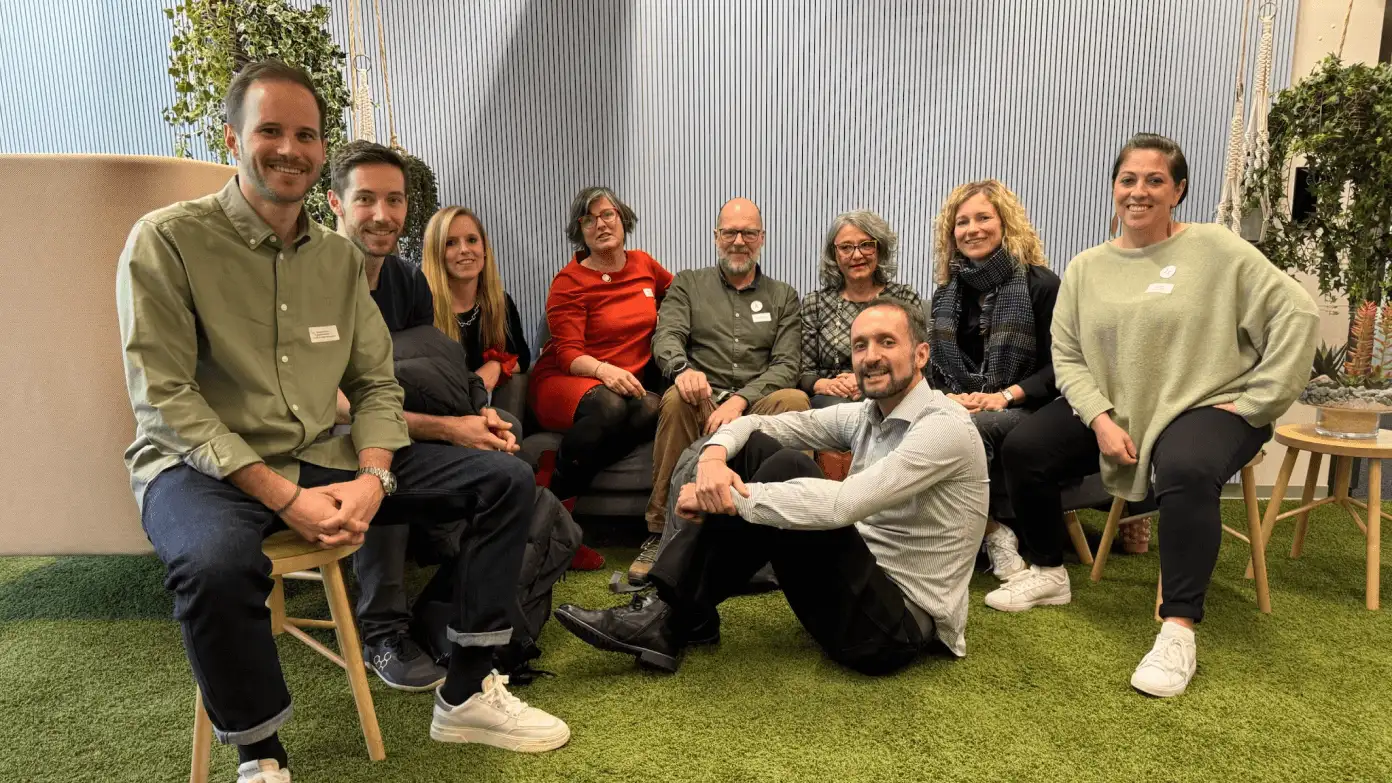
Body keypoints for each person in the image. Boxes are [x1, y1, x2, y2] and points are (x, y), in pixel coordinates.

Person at [117, 61, 568, 783]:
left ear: (322, 150)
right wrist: (286, 497)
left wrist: (374, 475)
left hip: (322, 453)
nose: (288, 147)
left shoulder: (337, 259)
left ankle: (466, 692)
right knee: (212, 563)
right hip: (199, 466)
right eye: (271, 130)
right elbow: (166, 398)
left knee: (507, 481)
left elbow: (375, 384)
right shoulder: (166, 240)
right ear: (232, 136)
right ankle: (261, 754)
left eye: (305, 133)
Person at [993, 133, 1318, 698]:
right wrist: (1098, 418)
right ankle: (1047, 571)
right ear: (1114, 188)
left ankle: (1178, 627)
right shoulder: (1087, 267)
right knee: (1025, 448)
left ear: (1178, 190)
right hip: (1117, 405)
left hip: (1205, 404)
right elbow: (1067, 357)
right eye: (1128, 180)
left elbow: (1299, 312)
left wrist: (1256, 401)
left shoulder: (1218, 248)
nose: (1138, 191)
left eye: (1154, 180)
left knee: (1188, 469)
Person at [555, 297, 988, 674]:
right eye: (860, 345)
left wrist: (729, 500)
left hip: (893, 633)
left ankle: (670, 615)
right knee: (761, 448)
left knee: (784, 467)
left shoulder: (943, 427)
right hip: (856, 587)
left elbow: (844, 505)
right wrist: (711, 459)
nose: (870, 356)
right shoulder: (866, 414)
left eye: (886, 342)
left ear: (921, 354)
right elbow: (759, 423)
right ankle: (685, 617)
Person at [324, 142, 521, 692]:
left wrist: (477, 415)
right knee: (382, 461)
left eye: (394, 199)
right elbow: (324, 401)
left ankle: (462, 608)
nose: (382, 214)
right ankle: (384, 630)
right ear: (336, 203)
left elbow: (425, 374)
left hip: (390, 414)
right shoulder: (308, 280)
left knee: (509, 458)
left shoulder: (407, 281)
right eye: (366, 199)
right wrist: (448, 429)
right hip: (330, 434)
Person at [633, 197, 809, 584]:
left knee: (796, 400)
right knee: (677, 397)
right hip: (702, 397)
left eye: (748, 232)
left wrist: (742, 399)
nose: (738, 241)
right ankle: (660, 530)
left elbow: (787, 364)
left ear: (761, 238)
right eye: (729, 232)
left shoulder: (783, 296)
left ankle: (782, 535)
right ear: (716, 237)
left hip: (757, 400)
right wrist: (681, 370)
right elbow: (667, 337)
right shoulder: (687, 284)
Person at [528, 186, 674, 570]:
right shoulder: (569, 282)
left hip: (624, 384)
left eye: (607, 214)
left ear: (622, 218)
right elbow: (568, 354)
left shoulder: (644, 264)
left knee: (652, 407)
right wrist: (605, 370)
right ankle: (555, 522)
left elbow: (681, 296)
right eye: (588, 219)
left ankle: (550, 475)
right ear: (581, 231)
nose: (600, 224)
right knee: (610, 406)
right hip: (566, 380)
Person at [927, 180, 1060, 581]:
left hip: (1027, 406)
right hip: (962, 403)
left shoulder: (1040, 284)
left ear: (1006, 224)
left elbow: (1062, 369)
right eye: (961, 222)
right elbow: (935, 369)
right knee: (928, 419)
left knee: (968, 427)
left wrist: (1003, 396)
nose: (972, 229)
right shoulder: (946, 293)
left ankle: (982, 540)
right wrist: (950, 397)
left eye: (983, 218)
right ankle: (992, 531)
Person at [800, 210, 922, 407]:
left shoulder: (903, 298)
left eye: (866, 245)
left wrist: (863, 380)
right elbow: (804, 370)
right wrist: (821, 384)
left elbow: (916, 360)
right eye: (846, 247)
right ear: (835, 255)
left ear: (880, 249)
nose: (856, 255)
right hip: (831, 399)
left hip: (889, 394)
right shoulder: (815, 303)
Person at [419, 205, 531, 398]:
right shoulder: (421, 309)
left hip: (488, 407)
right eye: (450, 243)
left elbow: (523, 358)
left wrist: (497, 365)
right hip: (442, 410)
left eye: (472, 240)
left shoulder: (500, 302)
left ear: (484, 249)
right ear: (436, 254)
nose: (464, 250)